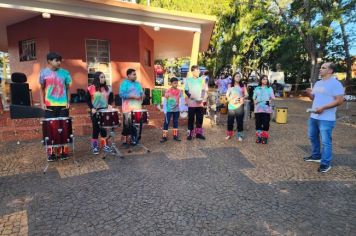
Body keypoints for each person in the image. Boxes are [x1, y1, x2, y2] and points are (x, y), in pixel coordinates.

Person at [304, 62, 344, 173]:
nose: (320, 69)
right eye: (321, 67)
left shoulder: (335, 84)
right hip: (314, 115)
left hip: (327, 118)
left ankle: (326, 163)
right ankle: (316, 156)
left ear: (330, 71)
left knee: (326, 142)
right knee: (312, 136)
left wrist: (324, 107)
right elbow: (313, 98)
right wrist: (309, 93)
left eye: (323, 68)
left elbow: (339, 100)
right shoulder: (318, 83)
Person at [39, 52, 71, 161]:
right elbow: (41, 88)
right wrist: (42, 102)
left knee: (64, 129)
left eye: (59, 60)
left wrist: (68, 101)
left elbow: (68, 88)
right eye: (56, 60)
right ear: (49, 61)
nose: (59, 62)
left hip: (62, 105)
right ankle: (51, 153)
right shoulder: (43, 73)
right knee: (50, 130)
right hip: (49, 106)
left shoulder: (65, 73)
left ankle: (64, 151)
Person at [86, 71, 113, 154]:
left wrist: (109, 105)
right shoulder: (91, 88)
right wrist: (92, 108)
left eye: (104, 77)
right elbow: (87, 100)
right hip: (95, 111)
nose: (103, 79)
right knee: (96, 129)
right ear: (97, 78)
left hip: (105, 111)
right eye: (101, 77)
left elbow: (111, 98)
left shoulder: (108, 88)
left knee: (103, 129)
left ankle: (104, 145)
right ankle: (94, 146)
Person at [119, 68, 144, 145]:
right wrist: (132, 96)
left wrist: (143, 95)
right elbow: (121, 94)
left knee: (136, 124)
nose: (135, 76)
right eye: (134, 74)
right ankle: (126, 139)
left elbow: (141, 93)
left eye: (135, 74)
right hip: (127, 108)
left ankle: (134, 139)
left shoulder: (138, 84)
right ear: (128, 75)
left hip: (137, 108)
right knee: (127, 125)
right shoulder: (124, 83)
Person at [185, 65, 208, 140]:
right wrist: (190, 96)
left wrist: (202, 98)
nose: (198, 72)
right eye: (196, 70)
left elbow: (204, 90)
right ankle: (190, 134)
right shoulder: (188, 80)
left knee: (200, 119)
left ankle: (198, 134)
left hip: (200, 103)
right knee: (191, 119)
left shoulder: (202, 79)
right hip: (191, 103)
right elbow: (186, 90)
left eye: (199, 70)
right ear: (192, 72)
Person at [225, 73, 248, 141]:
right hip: (231, 106)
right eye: (236, 76)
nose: (238, 78)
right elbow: (227, 95)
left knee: (239, 121)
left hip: (239, 106)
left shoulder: (242, 86)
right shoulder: (230, 85)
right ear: (234, 77)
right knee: (230, 121)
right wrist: (229, 99)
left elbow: (246, 94)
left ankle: (240, 136)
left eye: (239, 77)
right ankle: (229, 134)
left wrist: (242, 98)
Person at [253, 75, 275, 144]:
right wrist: (255, 102)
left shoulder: (269, 88)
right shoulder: (257, 88)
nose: (265, 80)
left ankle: (264, 137)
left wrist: (270, 100)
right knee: (258, 123)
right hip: (258, 109)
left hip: (266, 109)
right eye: (263, 79)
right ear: (261, 80)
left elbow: (273, 97)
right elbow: (254, 97)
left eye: (266, 79)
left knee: (266, 123)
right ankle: (259, 137)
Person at [160, 77, 183, 143]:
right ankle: (164, 136)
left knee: (175, 122)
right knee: (166, 122)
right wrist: (165, 109)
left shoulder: (179, 91)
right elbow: (165, 101)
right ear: (171, 83)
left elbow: (181, 100)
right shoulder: (168, 91)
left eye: (177, 83)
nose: (176, 84)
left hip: (176, 110)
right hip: (169, 110)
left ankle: (175, 135)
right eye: (174, 83)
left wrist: (181, 108)